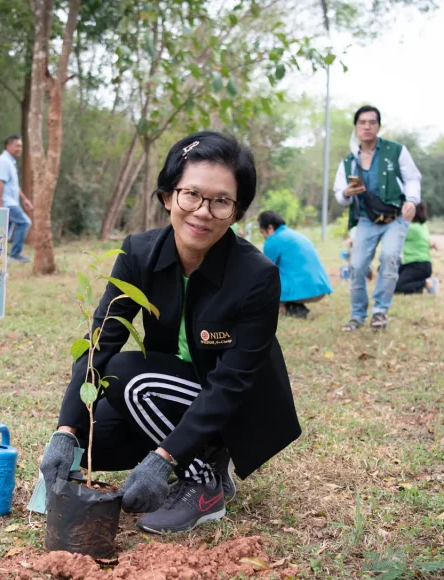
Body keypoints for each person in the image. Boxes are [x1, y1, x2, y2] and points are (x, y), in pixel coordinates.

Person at [38, 131, 301, 534]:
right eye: (190, 194)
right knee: (92, 438)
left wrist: (163, 460)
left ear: (236, 212)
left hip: (240, 407)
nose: (202, 211)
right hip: (170, 394)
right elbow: (100, 341)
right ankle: (183, 454)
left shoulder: (256, 276)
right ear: (167, 196)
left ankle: (207, 480)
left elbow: (232, 383)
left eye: (220, 201)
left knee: (128, 375)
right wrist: (65, 431)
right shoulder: (138, 254)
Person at [333, 105, 422, 331]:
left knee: (390, 256)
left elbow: (413, 178)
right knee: (357, 266)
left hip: (395, 217)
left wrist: (411, 200)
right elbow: (338, 193)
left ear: (378, 126)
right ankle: (357, 315)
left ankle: (380, 312)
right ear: (355, 127)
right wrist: (346, 193)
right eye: (362, 122)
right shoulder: (348, 161)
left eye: (372, 122)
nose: (367, 127)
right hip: (365, 219)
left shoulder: (396, 151)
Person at [257, 210, 333, 319]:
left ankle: (284, 307)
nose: (263, 236)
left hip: (305, 291)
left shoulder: (272, 241)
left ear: (269, 228)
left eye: (262, 232)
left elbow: (265, 273)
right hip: (320, 289)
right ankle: (294, 307)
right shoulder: (295, 234)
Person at [0, 135, 35, 263]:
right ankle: (15, 254)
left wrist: (25, 199)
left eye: (21, 146)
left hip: (10, 202)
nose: (19, 149)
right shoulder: (3, 162)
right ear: (8, 146)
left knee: (3, 232)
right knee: (25, 222)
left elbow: (14, 186)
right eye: (17, 146)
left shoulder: (10, 162)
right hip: (6, 203)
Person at [395, 203, 439, 295]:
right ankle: (417, 288)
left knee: (397, 287)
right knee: (393, 277)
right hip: (422, 265)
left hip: (416, 265)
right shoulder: (423, 226)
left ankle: (427, 283)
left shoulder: (409, 228)